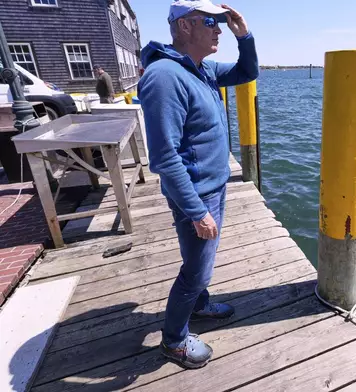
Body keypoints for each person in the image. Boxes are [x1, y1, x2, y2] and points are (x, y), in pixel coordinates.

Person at [137, 0, 259, 369]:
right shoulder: (165, 77)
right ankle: (173, 342)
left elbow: (246, 72)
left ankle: (200, 305)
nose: (218, 29)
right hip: (196, 194)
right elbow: (164, 158)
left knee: (197, 263)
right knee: (196, 271)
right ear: (185, 26)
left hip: (212, 185)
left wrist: (245, 35)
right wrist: (197, 212)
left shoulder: (199, 69)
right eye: (211, 22)